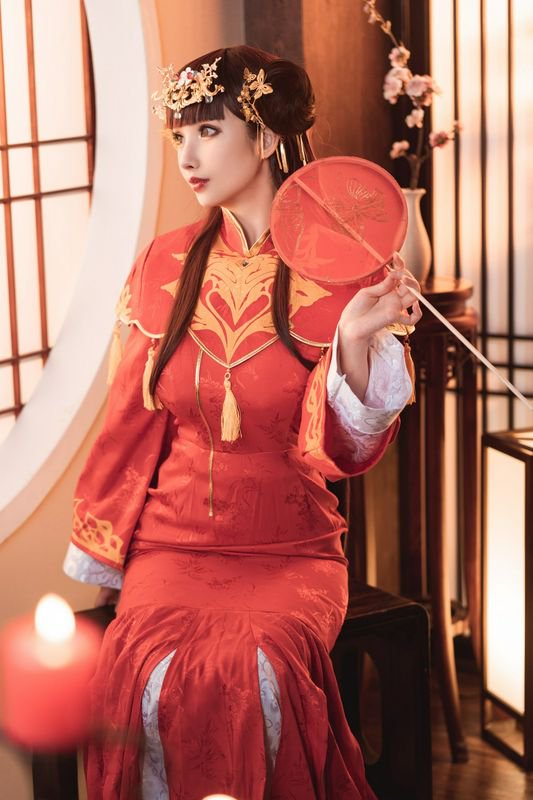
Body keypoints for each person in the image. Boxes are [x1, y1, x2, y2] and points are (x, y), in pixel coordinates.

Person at [64, 44, 421, 800]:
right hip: (171, 544)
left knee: (257, 670)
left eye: (208, 131)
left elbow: (346, 452)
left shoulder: (343, 268)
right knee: (149, 672)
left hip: (290, 546)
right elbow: (130, 421)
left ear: (264, 136)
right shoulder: (163, 264)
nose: (187, 157)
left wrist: (354, 340)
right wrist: (104, 549)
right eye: (178, 135)